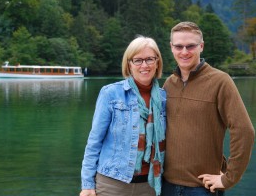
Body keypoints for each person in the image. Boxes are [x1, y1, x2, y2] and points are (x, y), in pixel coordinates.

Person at [162, 21, 255, 196]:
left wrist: (229, 178)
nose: (184, 52)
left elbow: (244, 131)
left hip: (202, 189)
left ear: (201, 46)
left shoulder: (220, 81)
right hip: (165, 186)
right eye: (179, 46)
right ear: (171, 47)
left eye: (190, 46)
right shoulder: (169, 84)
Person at [80, 36, 167, 196]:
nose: (144, 65)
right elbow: (94, 141)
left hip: (150, 186)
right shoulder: (111, 93)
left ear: (157, 62)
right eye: (138, 60)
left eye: (149, 59)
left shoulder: (163, 99)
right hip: (111, 184)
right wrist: (87, 185)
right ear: (129, 64)